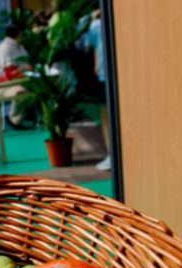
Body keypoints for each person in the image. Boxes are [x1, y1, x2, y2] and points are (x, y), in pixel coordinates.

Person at [83, 9, 110, 171]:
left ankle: (111, 154)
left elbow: (87, 46)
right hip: (114, 75)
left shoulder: (95, 25)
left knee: (106, 117)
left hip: (103, 76)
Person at [0, 25, 31, 130]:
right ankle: (14, 119)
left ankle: (28, 116)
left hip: (21, 80)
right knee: (21, 92)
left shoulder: (19, 46)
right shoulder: (5, 48)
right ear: (18, 35)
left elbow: (26, 63)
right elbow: (9, 70)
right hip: (5, 85)